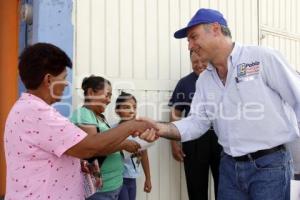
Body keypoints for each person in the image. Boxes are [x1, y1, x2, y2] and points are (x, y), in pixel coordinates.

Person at [139, 8, 300, 200]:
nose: (190, 46)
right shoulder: (204, 80)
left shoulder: (261, 58)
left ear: (215, 29)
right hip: (229, 168)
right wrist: (161, 129)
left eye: (193, 37)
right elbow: (197, 122)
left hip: (270, 166)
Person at [4, 43, 155, 200]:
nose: (65, 84)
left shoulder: (30, 108)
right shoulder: (38, 114)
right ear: (49, 80)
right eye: (63, 78)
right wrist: (131, 126)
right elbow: (90, 147)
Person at [71, 76, 143, 200]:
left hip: (113, 185)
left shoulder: (100, 117)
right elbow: (93, 149)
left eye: (110, 96)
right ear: (91, 93)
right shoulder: (84, 115)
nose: (109, 100)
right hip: (100, 190)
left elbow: (108, 142)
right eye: (107, 95)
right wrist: (125, 144)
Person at [169, 50, 222, 200]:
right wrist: (174, 142)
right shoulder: (184, 83)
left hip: (221, 139)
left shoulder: (222, 78)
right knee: (196, 187)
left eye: (202, 62)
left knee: (225, 186)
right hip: (194, 141)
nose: (199, 65)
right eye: (194, 63)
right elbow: (175, 112)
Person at [115, 92, 152, 200]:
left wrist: (148, 178)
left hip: (132, 178)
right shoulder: (112, 131)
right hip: (119, 179)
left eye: (134, 107)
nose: (131, 111)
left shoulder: (140, 133)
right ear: (117, 110)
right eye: (126, 107)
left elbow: (144, 156)